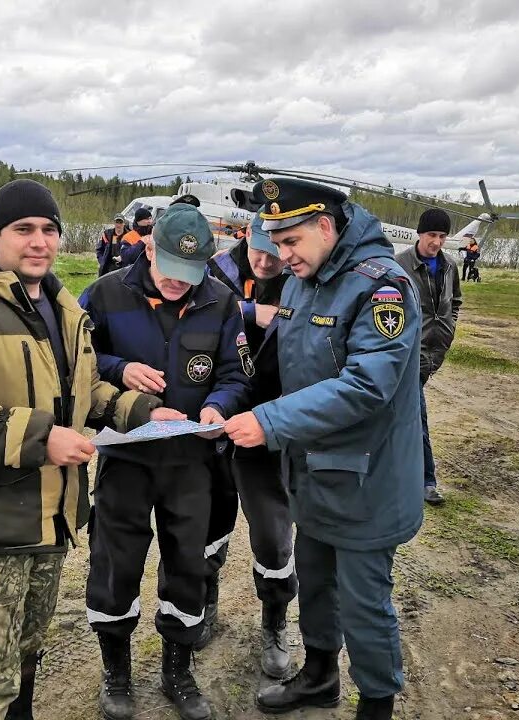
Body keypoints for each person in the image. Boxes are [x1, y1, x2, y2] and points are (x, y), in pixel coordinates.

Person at [0, 178, 162, 720]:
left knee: (27, 650)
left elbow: (83, 393)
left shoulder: (64, 308)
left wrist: (143, 412)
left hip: (52, 518)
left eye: (49, 230)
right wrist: (44, 439)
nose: (39, 241)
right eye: (23, 230)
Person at [224, 176, 423, 720]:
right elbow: (280, 366)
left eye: (290, 242)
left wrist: (269, 421)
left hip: (366, 481)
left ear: (326, 226)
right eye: (274, 242)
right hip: (310, 474)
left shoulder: (382, 287)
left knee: (363, 603)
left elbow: (367, 385)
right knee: (313, 582)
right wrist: (221, 402)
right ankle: (318, 676)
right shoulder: (300, 281)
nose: (280, 255)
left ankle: (376, 705)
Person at [79, 202, 253, 720]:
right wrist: (119, 366)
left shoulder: (220, 301)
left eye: (191, 273)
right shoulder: (106, 294)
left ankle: (178, 670)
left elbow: (236, 374)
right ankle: (117, 672)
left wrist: (218, 406)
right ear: (148, 246)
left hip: (189, 461)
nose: (181, 284)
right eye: (171, 273)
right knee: (115, 563)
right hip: (125, 456)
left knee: (187, 564)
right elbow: (78, 363)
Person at [194, 213, 297, 678]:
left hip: (269, 425)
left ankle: (275, 622)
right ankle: (205, 602)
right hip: (215, 419)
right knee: (207, 525)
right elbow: (181, 306)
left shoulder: (301, 279)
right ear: (246, 238)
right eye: (259, 250)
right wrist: (247, 310)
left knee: (274, 536)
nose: (266, 260)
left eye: (276, 252)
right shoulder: (216, 270)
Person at [395, 208, 463, 507]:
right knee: (416, 416)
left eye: (442, 236)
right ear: (419, 234)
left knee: (405, 414)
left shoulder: (449, 266)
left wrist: (450, 327)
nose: (436, 241)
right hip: (410, 352)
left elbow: (455, 300)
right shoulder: (400, 265)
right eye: (432, 235)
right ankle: (426, 482)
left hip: (436, 352)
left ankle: (405, 476)